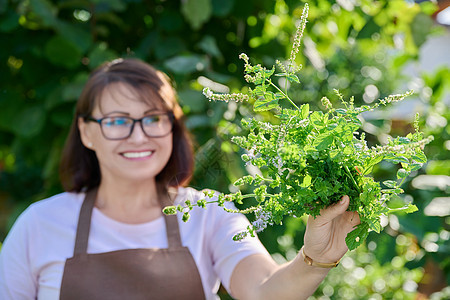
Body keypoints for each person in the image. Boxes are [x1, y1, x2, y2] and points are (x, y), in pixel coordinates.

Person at [0, 58, 360, 299]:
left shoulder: (209, 213)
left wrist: (315, 259)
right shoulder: (40, 224)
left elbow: (264, 291)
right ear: (86, 132)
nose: (139, 136)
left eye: (154, 118)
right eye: (117, 121)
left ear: (173, 126)